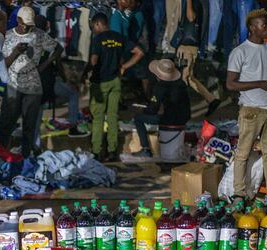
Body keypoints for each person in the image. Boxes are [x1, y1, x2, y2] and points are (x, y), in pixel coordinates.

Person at [226, 9, 267, 206]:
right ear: (252, 28)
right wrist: (259, 83)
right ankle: (239, 194)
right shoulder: (240, 51)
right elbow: (231, 84)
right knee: (242, 153)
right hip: (250, 110)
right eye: (263, 25)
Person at [0, 6, 63, 157]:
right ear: (18, 20)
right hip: (13, 84)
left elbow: (58, 49)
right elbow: (3, 65)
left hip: (33, 86)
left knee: (29, 126)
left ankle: (25, 159)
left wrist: (43, 66)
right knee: (6, 124)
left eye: (30, 24)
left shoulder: (39, 35)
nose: (27, 27)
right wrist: (15, 52)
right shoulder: (8, 37)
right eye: (24, 23)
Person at [82, 12, 144, 162]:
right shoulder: (119, 38)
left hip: (100, 82)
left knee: (97, 118)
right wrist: (123, 67)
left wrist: (85, 73)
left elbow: (94, 60)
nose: (93, 29)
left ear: (97, 24)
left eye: (93, 26)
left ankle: (96, 151)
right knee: (112, 117)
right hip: (115, 81)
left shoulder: (97, 39)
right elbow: (139, 52)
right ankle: (112, 151)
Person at [132, 59, 191, 158]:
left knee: (138, 118)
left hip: (169, 120)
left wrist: (144, 109)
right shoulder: (181, 84)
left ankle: (146, 149)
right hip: (184, 117)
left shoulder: (160, 87)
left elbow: (153, 109)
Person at [176, 0, 221, 116]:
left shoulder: (194, 2)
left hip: (188, 47)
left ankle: (181, 109)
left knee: (184, 78)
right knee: (189, 77)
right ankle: (211, 100)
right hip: (189, 46)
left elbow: (190, 17)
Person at [110, 0, 150, 99]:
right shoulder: (117, 16)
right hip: (119, 46)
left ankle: (116, 102)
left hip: (124, 45)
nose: (128, 1)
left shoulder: (127, 14)